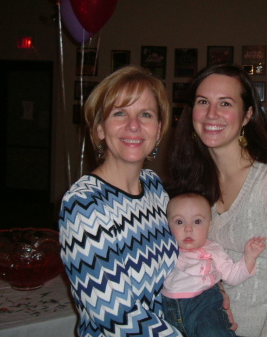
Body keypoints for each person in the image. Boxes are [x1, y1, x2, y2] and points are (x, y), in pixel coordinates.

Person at [168, 64, 267, 337]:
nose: (212, 114)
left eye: (225, 103)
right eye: (203, 102)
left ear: (247, 115)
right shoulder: (195, 181)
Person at [58, 65, 183, 337]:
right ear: (100, 128)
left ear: (159, 129)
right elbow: (114, 315)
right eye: (119, 113)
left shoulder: (153, 187)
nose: (134, 125)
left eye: (146, 114)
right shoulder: (83, 203)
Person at [162, 191, 266, 337]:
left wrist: (249, 258)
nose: (188, 228)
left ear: (209, 226)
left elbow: (232, 276)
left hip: (205, 308)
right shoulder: (165, 248)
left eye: (197, 221)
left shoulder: (213, 249)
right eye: (179, 222)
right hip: (168, 309)